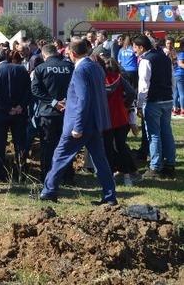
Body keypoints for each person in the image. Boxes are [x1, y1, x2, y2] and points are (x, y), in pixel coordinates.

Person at [40, 40, 117, 205]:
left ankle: (49, 191)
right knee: (100, 160)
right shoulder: (96, 67)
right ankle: (110, 197)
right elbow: (90, 94)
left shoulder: (80, 70)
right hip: (95, 122)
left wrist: (78, 127)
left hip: (80, 123)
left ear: (72, 53)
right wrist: (70, 101)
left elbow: (84, 98)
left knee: (60, 155)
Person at [133, 35, 177, 179]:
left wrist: (139, 105)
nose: (134, 50)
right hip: (167, 99)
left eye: (135, 47)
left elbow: (143, 86)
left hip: (153, 101)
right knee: (166, 132)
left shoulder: (146, 60)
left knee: (154, 134)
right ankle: (170, 164)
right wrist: (171, 96)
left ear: (141, 47)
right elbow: (173, 79)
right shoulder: (165, 57)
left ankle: (155, 167)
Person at [30, 44, 75, 181]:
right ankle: (67, 176)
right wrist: (67, 101)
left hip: (47, 114)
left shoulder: (40, 68)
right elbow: (76, 86)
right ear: (56, 52)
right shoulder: (69, 67)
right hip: (67, 112)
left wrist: (53, 102)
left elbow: (35, 90)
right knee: (66, 145)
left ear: (44, 55)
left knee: (47, 146)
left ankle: (47, 176)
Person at [96, 51, 141, 186]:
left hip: (106, 118)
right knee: (122, 147)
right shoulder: (120, 79)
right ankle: (129, 175)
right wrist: (125, 104)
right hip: (121, 116)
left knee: (108, 147)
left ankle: (110, 175)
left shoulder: (100, 80)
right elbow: (132, 92)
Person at [0, 48, 31, 182]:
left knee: (0, 145)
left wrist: (8, 109)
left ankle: (0, 175)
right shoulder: (21, 69)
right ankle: (21, 173)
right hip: (19, 114)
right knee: (20, 144)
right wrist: (20, 107)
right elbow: (29, 91)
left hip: (1, 114)